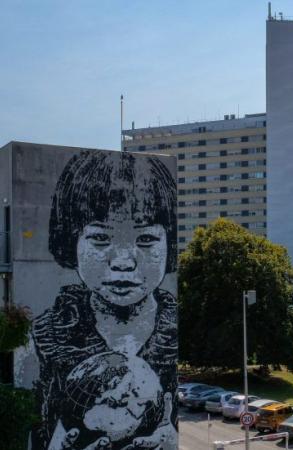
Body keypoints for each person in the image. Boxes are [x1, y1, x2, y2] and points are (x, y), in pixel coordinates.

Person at [32, 150, 178, 450]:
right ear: (71, 240)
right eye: (100, 239)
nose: (123, 261)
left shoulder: (175, 328)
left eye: (146, 239)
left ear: (169, 243)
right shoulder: (46, 334)